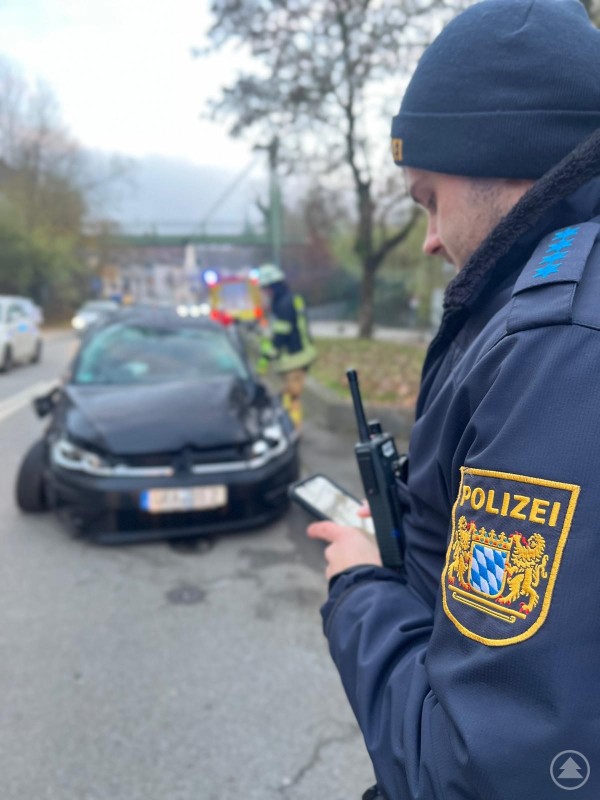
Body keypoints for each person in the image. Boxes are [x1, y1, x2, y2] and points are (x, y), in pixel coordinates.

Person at [306, 1, 600, 798]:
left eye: (428, 197)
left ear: (497, 154)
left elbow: (478, 771)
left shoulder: (555, 346)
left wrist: (359, 587)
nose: (430, 237)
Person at [256, 263, 316, 428]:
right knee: (291, 395)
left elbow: (280, 336)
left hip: (293, 359)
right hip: (304, 353)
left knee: (292, 397)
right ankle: (292, 424)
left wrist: (265, 359)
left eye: (265, 288)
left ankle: (294, 429)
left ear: (272, 287)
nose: (264, 293)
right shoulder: (292, 299)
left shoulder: (282, 305)